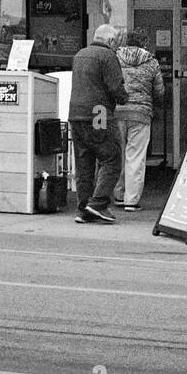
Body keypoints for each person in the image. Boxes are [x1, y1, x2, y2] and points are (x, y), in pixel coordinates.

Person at [68, 24, 128, 224]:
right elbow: (115, 88)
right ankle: (98, 204)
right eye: (116, 42)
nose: (116, 45)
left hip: (76, 115)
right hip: (98, 114)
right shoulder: (107, 56)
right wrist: (124, 97)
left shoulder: (80, 55)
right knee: (111, 158)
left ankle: (84, 209)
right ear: (110, 41)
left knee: (83, 164)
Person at [113, 26, 163, 213]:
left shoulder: (115, 59)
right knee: (136, 157)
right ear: (144, 43)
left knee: (119, 154)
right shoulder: (151, 62)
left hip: (117, 111)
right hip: (141, 113)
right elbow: (159, 91)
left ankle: (118, 194)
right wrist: (155, 105)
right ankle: (131, 201)